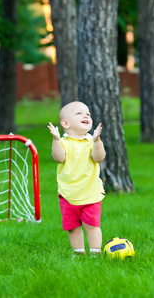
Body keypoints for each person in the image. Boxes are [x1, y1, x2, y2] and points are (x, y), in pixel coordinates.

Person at [48, 101, 105, 256]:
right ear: (65, 123)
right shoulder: (63, 142)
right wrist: (56, 140)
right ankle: (78, 253)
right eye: (79, 113)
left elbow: (99, 158)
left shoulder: (91, 141)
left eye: (88, 114)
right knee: (73, 227)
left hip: (90, 193)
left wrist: (97, 141)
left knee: (92, 225)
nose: (86, 115)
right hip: (68, 194)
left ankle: (95, 253)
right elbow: (59, 158)